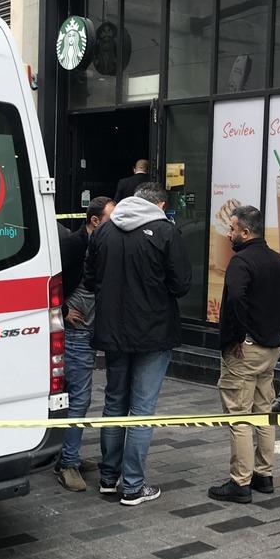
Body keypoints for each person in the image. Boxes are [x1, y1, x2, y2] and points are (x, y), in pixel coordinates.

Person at [83, 182, 191, 505]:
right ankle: (132, 485)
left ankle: (108, 477)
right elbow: (182, 283)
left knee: (114, 402)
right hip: (153, 332)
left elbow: (89, 278)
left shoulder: (104, 231)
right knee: (142, 409)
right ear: (158, 204)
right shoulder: (165, 232)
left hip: (113, 331)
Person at [209, 205, 280, 503]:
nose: (229, 234)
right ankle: (264, 475)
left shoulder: (240, 262)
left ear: (246, 232)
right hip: (270, 349)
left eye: (232, 229)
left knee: (239, 416)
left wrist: (238, 334)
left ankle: (239, 482)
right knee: (263, 412)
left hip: (245, 350)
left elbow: (236, 298)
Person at [55, 196, 115, 491]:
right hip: (76, 332)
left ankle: (68, 455)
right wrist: (64, 311)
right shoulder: (74, 246)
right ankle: (67, 462)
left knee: (77, 396)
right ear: (94, 221)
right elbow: (50, 284)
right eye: (110, 218)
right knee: (79, 397)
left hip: (90, 331)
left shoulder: (102, 245)